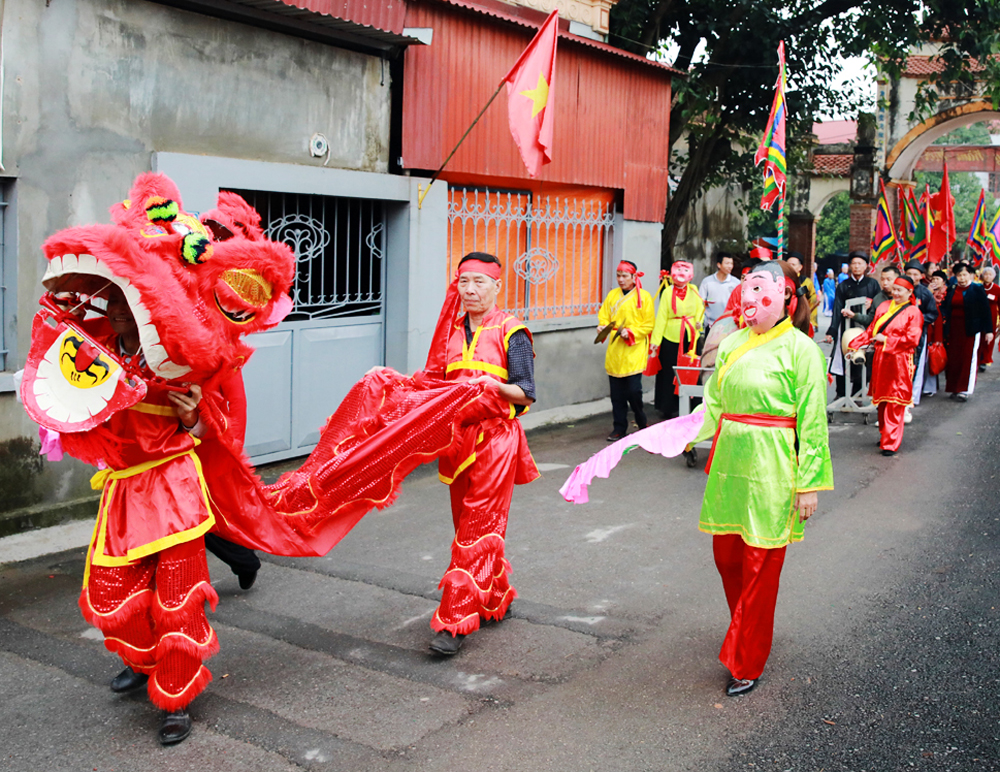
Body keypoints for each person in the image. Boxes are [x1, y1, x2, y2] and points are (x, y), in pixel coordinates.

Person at [77, 285, 218, 745]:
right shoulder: (88, 350)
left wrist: (193, 415)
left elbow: (213, 424)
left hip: (173, 486)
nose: (117, 310)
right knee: (111, 593)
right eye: (110, 301)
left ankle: (176, 698)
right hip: (122, 488)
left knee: (177, 599)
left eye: (127, 301)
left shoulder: (177, 355)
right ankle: (146, 663)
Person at [688, 260, 833, 696]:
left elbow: (812, 423)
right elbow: (711, 406)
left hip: (774, 469)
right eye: (745, 290)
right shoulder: (731, 343)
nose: (746, 298)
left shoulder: (801, 349)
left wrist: (808, 483)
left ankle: (747, 658)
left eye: (758, 289)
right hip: (730, 465)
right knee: (728, 558)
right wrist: (671, 435)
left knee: (759, 566)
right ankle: (746, 627)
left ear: (786, 296)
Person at [428, 252, 539, 655]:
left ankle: (454, 621)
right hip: (457, 443)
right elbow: (433, 386)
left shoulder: (513, 332)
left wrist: (489, 389)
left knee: (475, 528)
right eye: (464, 282)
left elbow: (526, 392)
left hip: (496, 440)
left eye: (480, 282)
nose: (471, 290)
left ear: (497, 287)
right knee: (467, 526)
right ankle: (495, 596)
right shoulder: (448, 332)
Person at [846, 274, 923, 456]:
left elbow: (912, 340)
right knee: (881, 400)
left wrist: (887, 339)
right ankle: (886, 435)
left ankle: (890, 443)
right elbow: (871, 330)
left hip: (900, 361)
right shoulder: (883, 306)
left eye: (899, 290)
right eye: (894, 289)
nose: (895, 293)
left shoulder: (914, 312)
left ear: (909, 292)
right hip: (881, 359)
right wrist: (854, 345)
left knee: (895, 401)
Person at [597, 260, 654, 441]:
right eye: (618, 276)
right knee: (617, 393)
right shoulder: (613, 295)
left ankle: (641, 420)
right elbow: (604, 316)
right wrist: (602, 327)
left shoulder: (644, 297)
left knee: (633, 391)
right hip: (615, 349)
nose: (620, 280)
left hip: (634, 348)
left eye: (624, 276)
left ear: (633, 277)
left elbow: (648, 324)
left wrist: (630, 332)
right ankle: (619, 427)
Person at [650, 260, 704, 418]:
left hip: (690, 336)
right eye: (678, 269)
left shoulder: (694, 290)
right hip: (671, 336)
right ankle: (668, 407)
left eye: (685, 270)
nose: (681, 273)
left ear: (691, 275)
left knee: (692, 369)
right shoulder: (667, 292)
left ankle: (694, 405)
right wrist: (655, 342)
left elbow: (700, 308)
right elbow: (661, 318)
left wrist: (698, 323)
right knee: (669, 371)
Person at [824, 251, 880, 399]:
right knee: (842, 360)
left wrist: (872, 303)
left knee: (863, 360)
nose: (856, 266)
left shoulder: (872, 284)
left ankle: (858, 393)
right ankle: (840, 393)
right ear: (849, 266)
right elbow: (837, 308)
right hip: (845, 328)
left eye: (860, 263)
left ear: (866, 266)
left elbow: (880, 305)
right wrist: (832, 330)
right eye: (854, 263)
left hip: (865, 328)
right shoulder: (843, 286)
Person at [941, 262, 993, 401]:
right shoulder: (952, 288)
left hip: (971, 329)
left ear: (971, 275)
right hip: (953, 329)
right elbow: (945, 307)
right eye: (959, 275)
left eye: (964, 275)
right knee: (954, 359)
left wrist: (989, 330)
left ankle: (964, 390)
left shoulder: (977, 289)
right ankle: (953, 388)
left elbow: (986, 310)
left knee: (968, 359)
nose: (962, 278)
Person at [901, 260, 938, 410]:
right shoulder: (899, 290)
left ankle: (913, 397)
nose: (912, 277)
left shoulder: (925, 293)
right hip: (900, 334)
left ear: (921, 276)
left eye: (915, 274)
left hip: (919, 334)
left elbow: (933, 314)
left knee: (916, 364)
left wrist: (918, 319)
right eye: (909, 273)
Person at [699, 252, 741, 330]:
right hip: (711, 325)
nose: (730, 266)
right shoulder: (707, 282)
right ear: (719, 265)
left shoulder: (736, 283)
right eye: (727, 263)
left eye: (731, 263)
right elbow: (700, 302)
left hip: (729, 325)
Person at [785, 252, 819, 334]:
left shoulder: (806, 282)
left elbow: (813, 302)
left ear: (800, 267)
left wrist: (812, 322)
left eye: (793, 264)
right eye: (788, 264)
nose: (790, 267)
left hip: (801, 321)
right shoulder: (782, 281)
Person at [977, 266, 1000, 369]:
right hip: (979, 315)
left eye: (990, 274)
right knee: (979, 337)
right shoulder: (978, 287)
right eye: (986, 274)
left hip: (992, 316)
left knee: (989, 338)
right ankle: (978, 358)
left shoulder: (996, 289)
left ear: (993, 277)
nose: (987, 276)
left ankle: (985, 359)